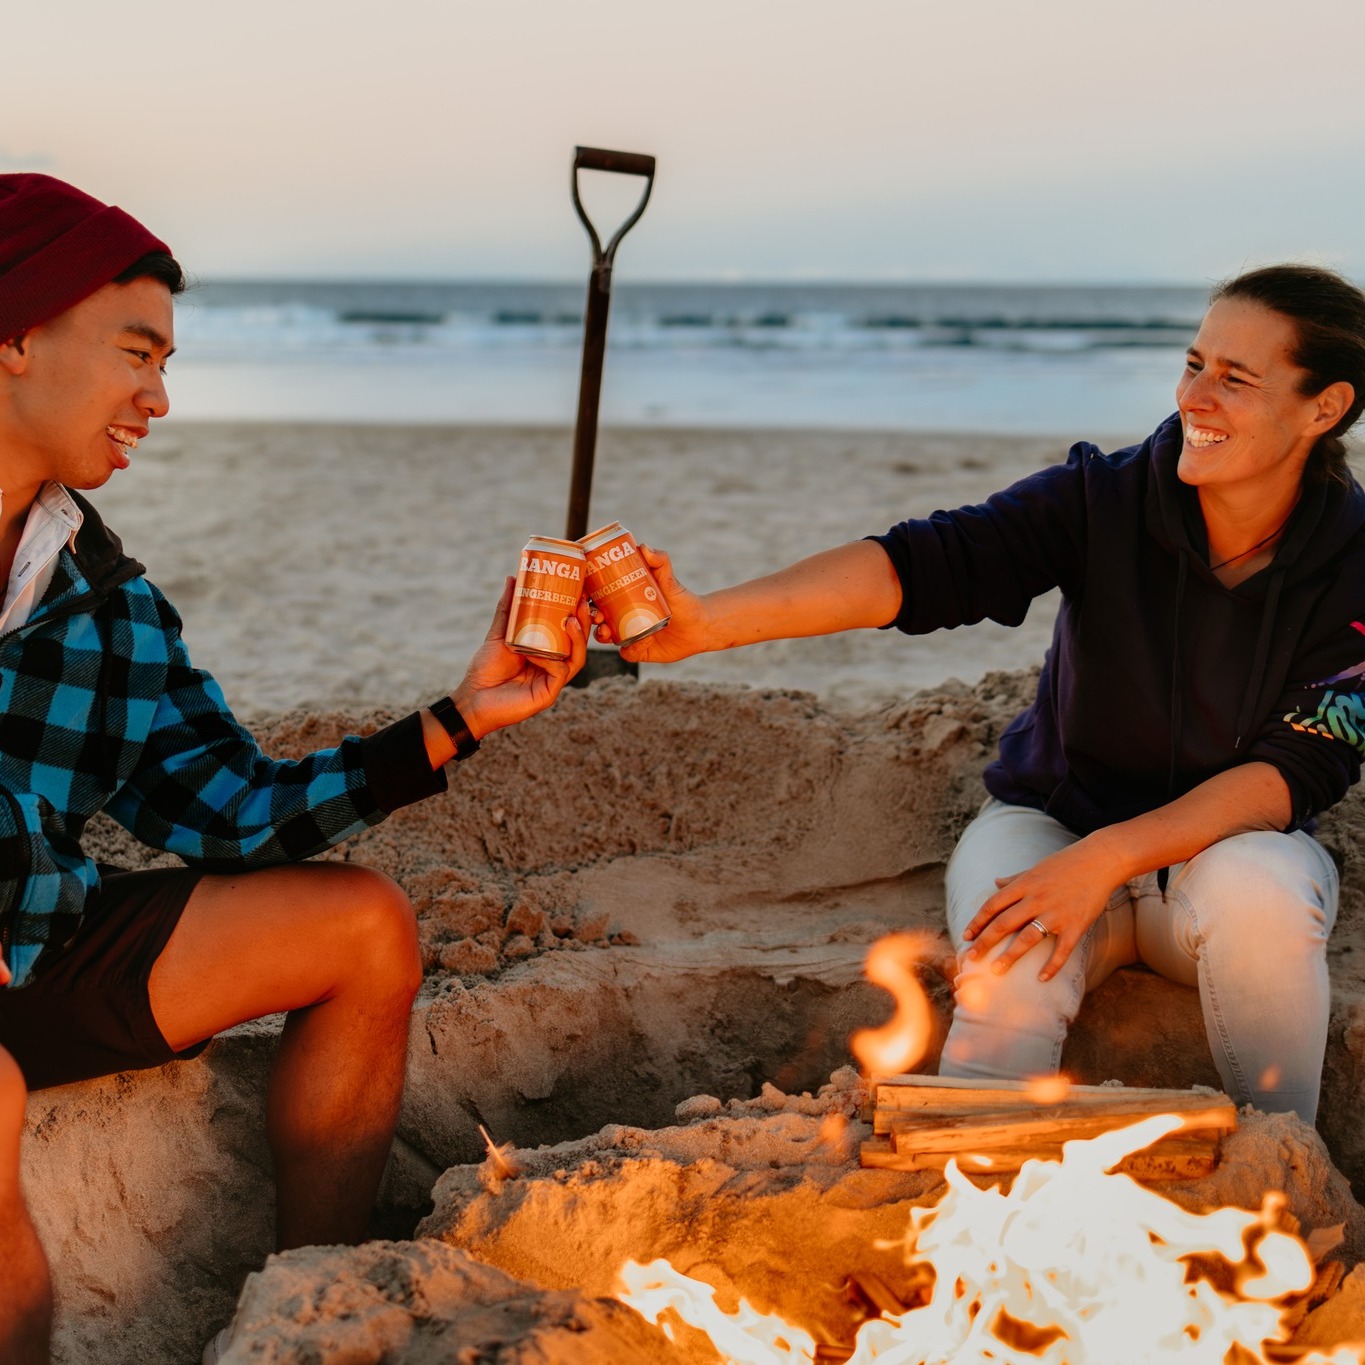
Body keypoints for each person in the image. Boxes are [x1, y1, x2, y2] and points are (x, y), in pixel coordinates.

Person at [0, 174, 588, 1365]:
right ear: (15, 334)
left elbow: (236, 812)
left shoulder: (108, 602)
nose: (158, 397)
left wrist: (458, 718)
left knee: (362, 929)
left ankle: (311, 1309)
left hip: (27, 944)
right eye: (137, 353)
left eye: (167, 364)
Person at [603, 263, 1365, 1128]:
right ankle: (966, 1188)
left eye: (1236, 378)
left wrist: (1106, 857)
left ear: (1323, 406)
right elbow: (921, 565)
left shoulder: (1356, 563)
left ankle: (1279, 1168)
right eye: (1194, 363)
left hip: (1220, 863)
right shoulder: (1103, 497)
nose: (1196, 395)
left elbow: (1296, 766)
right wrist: (707, 621)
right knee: (1011, 947)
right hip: (1052, 817)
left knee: (1264, 890)